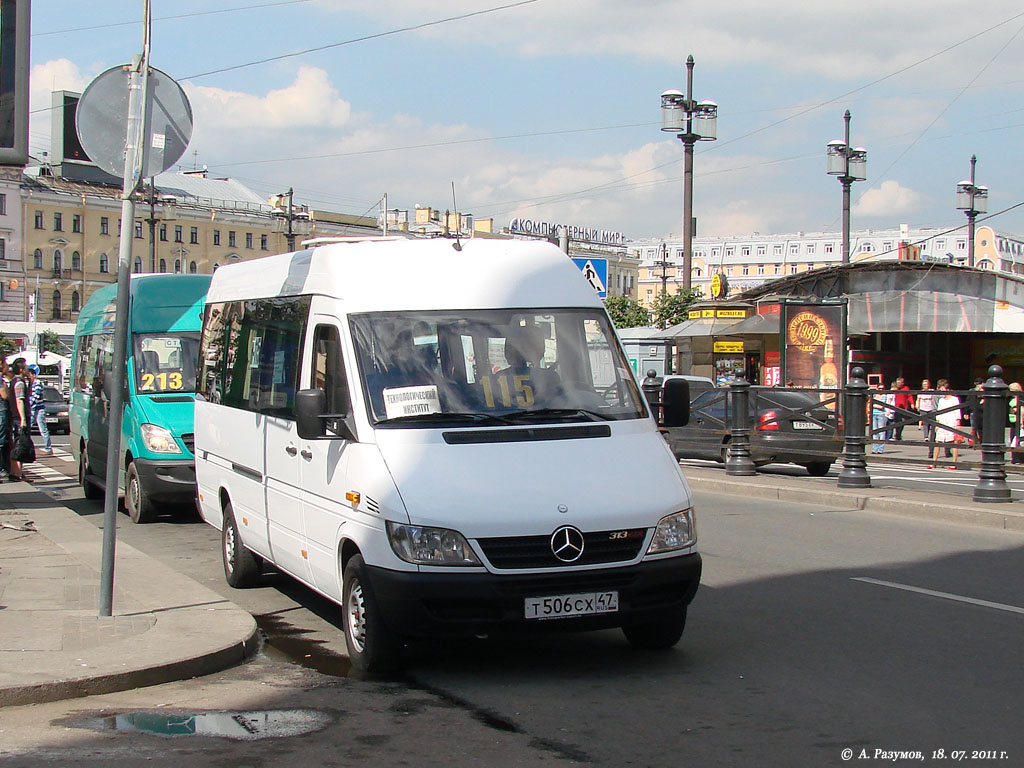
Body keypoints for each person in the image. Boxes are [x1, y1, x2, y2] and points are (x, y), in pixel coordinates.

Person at [930, 379, 961, 470]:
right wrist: (937, 423)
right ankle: (934, 462)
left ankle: (954, 463)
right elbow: (939, 412)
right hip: (942, 421)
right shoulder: (941, 400)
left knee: (953, 443)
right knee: (938, 442)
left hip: (951, 421)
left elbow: (957, 411)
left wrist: (958, 424)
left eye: (941, 388)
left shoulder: (954, 399)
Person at [7, 359, 29, 481]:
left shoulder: (15, 381)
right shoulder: (19, 382)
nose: (27, 369)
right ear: (21, 369)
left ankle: (18, 472)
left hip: (16, 417)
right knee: (19, 444)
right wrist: (23, 419)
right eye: (25, 367)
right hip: (18, 417)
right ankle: (15, 473)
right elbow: (19, 401)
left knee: (19, 444)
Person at [27, 364, 53, 455]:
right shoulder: (32, 384)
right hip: (35, 408)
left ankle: (48, 448)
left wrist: (29, 406)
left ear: (34, 374)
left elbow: (36, 397)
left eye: (30, 374)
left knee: (42, 429)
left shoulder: (37, 383)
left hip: (38, 409)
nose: (28, 376)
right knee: (28, 427)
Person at [916, 379, 937, 445]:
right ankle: (926, 437)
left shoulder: (932, 391)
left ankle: (933, 436)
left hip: (931, 408)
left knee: (932, 423)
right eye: (924, 384)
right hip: (923, 408)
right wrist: (918, 406)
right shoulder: (921, 392)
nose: (925, 385)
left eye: (926, 384)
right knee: (925, 423)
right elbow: (918, 400)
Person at [869, 383, 887, 454]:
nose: (881, 390)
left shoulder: (884, 396)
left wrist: (873, 405)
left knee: (881, 432)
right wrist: (874, 405)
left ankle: (880, 449)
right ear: (877, 388)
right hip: (874, 414)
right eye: (879, 388)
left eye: (882, 389)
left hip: (881, 415)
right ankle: (875, 449)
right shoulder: (874, 396)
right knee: (874, 432)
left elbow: (881, 407)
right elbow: (870, 404)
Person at [1008, 382, 1022, 464]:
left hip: (1018, 420)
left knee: (1017, 439)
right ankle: (1014, 458)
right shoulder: (1013, 398)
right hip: (1012, 420)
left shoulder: (1020, 397)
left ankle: (1018, 458)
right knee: (1013, 439)